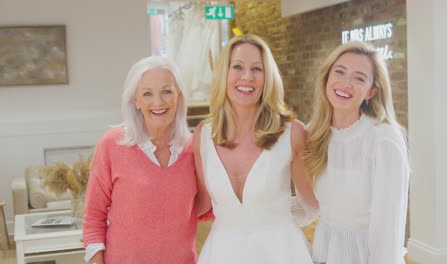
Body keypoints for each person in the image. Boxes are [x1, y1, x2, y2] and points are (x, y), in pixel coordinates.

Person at [193, 34, 318, 264]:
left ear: (267, 77)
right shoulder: (202, 135)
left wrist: (275, 217)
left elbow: (311, 202)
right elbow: (201, 204)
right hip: (221, 254)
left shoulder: (291, 133)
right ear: (224, 73)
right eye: (238, 67)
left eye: (257, 69)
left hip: (282, 254)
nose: (247, 77)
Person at [83, 56, 201, 264]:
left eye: (167, 91)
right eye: (147, 94)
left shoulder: (195, 148)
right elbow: (94, 216)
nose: (158, 102)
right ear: (135, 100)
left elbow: (207, 209)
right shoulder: (112, 143)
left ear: (179, 96)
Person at [304, 41, 410, 264]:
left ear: (371, 91)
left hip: (366, 256)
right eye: (340, 72)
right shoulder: (313, 133)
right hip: (324, 252)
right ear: (326, 78)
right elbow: (311, 207)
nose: (346, 83)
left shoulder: (383, 139)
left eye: (359, 78)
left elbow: (388, 228)